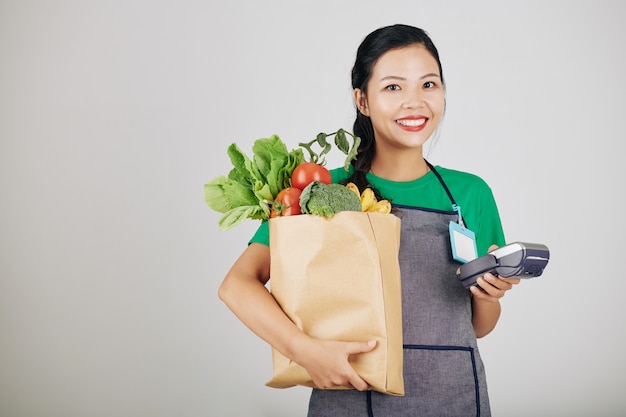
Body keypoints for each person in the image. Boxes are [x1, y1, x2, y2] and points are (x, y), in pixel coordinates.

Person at [218, 23, 520, 417]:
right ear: (363, 100)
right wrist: (305, 351)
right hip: (350, 391)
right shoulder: (321, 191)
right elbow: (236, 285)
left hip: (454, 394)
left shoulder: (470, 193)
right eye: (393, 87)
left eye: (428, 85)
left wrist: (488, 295)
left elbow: (479, 326)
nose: (415, 102)